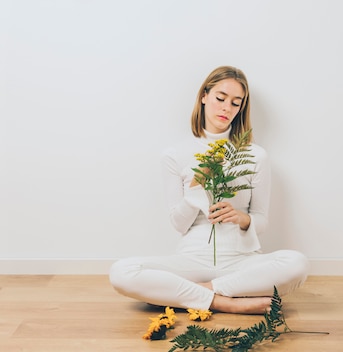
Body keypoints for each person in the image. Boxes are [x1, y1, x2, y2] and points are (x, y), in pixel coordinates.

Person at [109, 66, 309, 314]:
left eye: (236, 103)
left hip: (241, 259)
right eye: (220, 98)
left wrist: (242, 218)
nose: (227, 108)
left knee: (296, 263)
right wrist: (195, 188)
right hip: (191, 259)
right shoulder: (175, 155)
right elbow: (179, 224)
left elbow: (262, 220)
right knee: (121, 272)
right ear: (204, 96)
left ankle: (197, 291)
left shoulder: (256, 155)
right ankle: (225, 302)